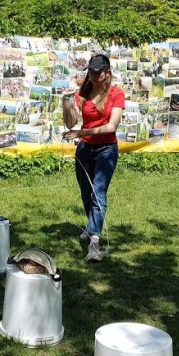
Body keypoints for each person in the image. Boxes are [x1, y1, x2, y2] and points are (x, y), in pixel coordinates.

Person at [63, 54, 125, 262]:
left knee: (98, 192)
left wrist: (82, 133)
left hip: (107, 149)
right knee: (86, 190)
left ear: (107, 72)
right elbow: (70, 123)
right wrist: (66, 104)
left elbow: (111, 127)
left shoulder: (116, 94)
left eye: (97, 72)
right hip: (85, 149)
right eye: (90, 71)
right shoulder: (84, 92)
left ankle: (95, 243)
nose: (93, 75)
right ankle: (91, 227)